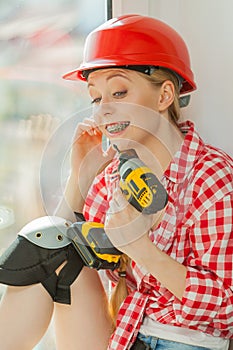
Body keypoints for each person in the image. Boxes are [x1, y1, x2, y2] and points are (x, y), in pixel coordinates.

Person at [0, 14, 233, 350]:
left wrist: (141, 249)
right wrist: (80, 176)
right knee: (48, 243)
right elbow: (56, 249)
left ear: (165, 95)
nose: (101, 112)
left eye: (119, 92)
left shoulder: (212, 177)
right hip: (125, 337)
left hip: (188, 343)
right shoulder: (114, 176)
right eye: (96, 98)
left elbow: (227, 309)